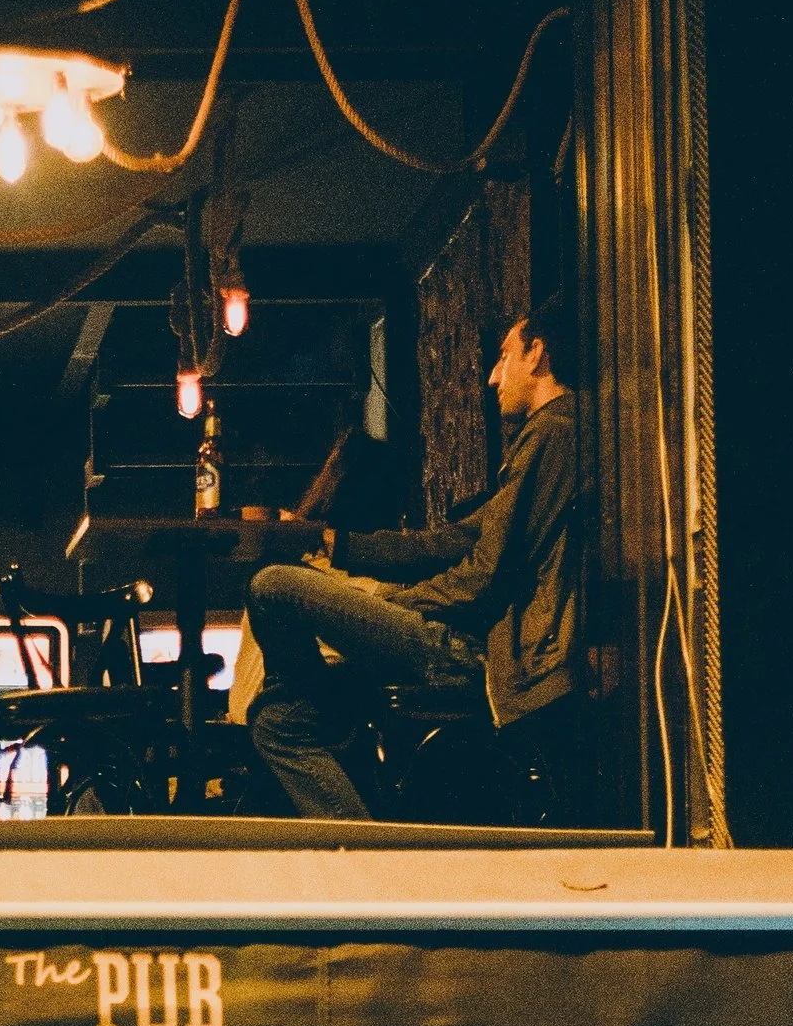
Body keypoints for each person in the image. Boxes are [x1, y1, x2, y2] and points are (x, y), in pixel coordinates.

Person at [245, 296, 584, 823]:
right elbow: (449, 542)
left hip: (482, 658)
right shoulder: (545, 440)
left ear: (537, 354)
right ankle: (368, 860)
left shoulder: (554, 433)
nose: (494, 378)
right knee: (278, 722)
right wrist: (334, 542)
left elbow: (482, 580)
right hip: (475, 642)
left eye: (503, 356)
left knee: (271, 585)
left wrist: (389, 601)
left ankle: (332, 719)